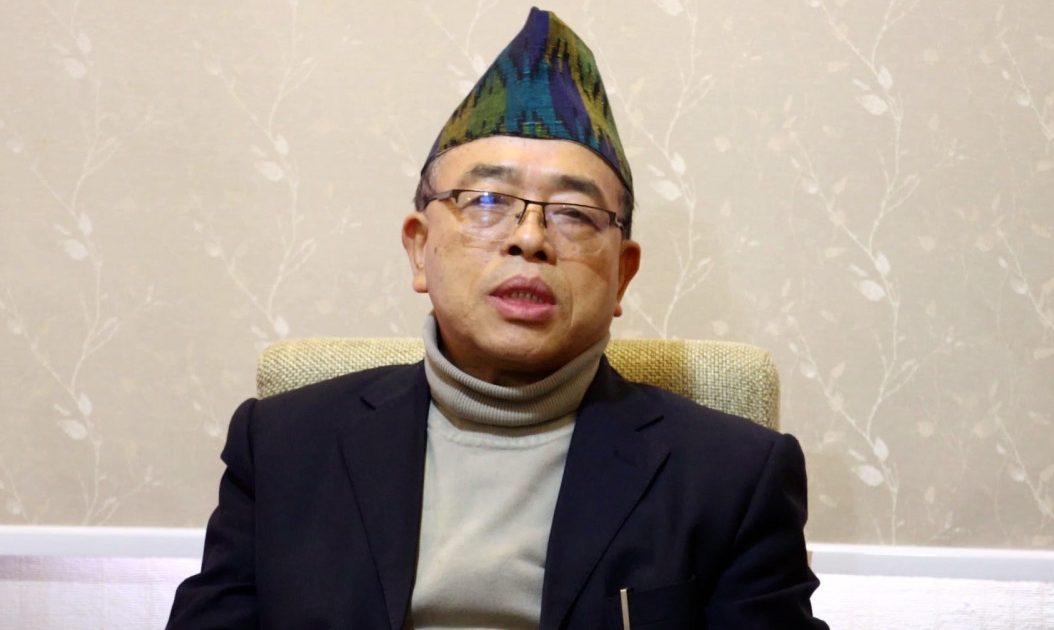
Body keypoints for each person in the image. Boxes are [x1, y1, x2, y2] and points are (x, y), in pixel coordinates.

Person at [168, 7, 827, 629]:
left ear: (622, 275)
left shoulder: (733, 476)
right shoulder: (282, 445)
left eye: (574, 213)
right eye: (486, 201)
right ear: (419, 248)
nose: (529, 239)